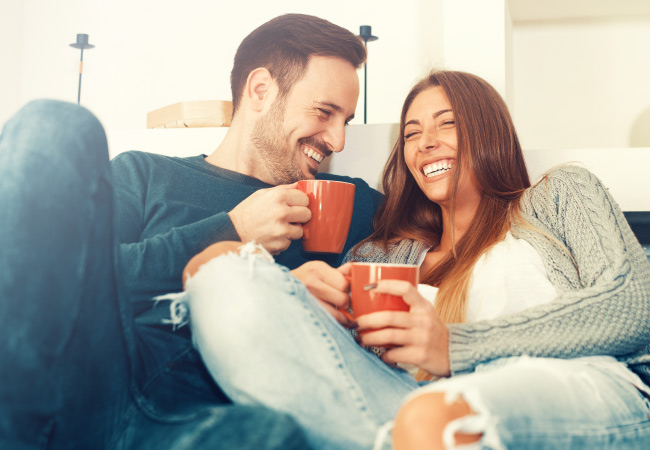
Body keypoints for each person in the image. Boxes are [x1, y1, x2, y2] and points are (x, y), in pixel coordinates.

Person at [181, 70, 650, 449]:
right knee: (217, 266)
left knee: (435, 422)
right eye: (411, 133)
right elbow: (351, 366)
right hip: (409, 411)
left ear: (490, 131)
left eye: (446, 123)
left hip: (579, 390)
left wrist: (455, 346)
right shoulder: (380, 254)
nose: (424, 142)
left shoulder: (557, 196)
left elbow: (635, 305)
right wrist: (310, 303)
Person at [0, 13, 382, 449]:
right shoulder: (143, 175)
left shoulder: (341, 201)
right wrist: (232, 229)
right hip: (97, 384)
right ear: (261, 90)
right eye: (324, 112)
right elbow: (64, 285)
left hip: (207, 419)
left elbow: (451, 221)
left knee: (275, 437)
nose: (338, 140)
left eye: (346, 121)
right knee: (53, 125)